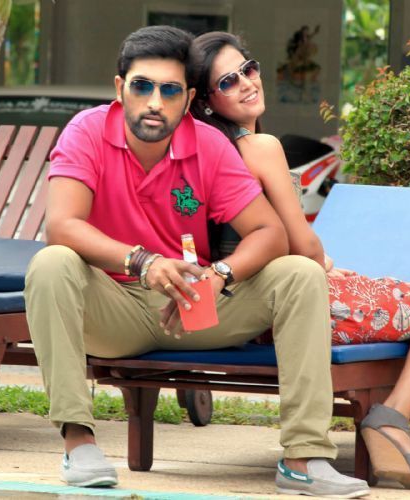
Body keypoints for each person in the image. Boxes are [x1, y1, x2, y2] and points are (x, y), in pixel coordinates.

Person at [24, 25, 370, 498]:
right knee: (51, 263)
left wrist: (220, 274)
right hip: (112, 307)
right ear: (120, 88)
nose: (154, 102)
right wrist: (143, 261)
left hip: (193, 306)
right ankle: (79, 443)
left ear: (188, 99)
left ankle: (304, 458)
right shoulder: (87, 130)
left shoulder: (207, 143)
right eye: (142, 86)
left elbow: (269, 232)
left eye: (170, 91)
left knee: (300, 273)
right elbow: (63, 225)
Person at [189, 31, 410, 490]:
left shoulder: (206, 153)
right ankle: (392, 422)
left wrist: (326, 264)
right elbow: (303, 244)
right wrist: (325, 265)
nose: (248, 82)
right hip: (292, 304)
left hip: (248, 309)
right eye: (228, 81)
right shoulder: (259, 147)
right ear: (207, 101)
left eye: (248, 69)